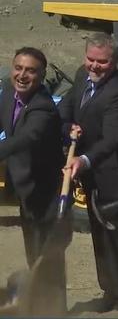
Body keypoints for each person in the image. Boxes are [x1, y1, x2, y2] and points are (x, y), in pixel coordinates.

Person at [58, 33, 118, 311]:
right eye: (90, 59)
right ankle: (109, 291)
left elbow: (113, 138)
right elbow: (67, 109)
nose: (94, 66)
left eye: (102, 62)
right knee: (100, 236)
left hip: (117, 177)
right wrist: (69, 126)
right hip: (92, 177)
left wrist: (83, 159)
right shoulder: (82, 76)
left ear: (114, 62)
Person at [0, 48, 68, 314]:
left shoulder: (43, 107)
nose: (22, 75)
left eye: (30, 70)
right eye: (18, 67)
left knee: (48, 256)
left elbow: (25, 138)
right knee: (33, 254)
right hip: (25, 188)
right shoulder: (8, 94)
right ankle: (38, 306)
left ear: (41, 75)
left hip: (47, 194)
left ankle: (55, 311)